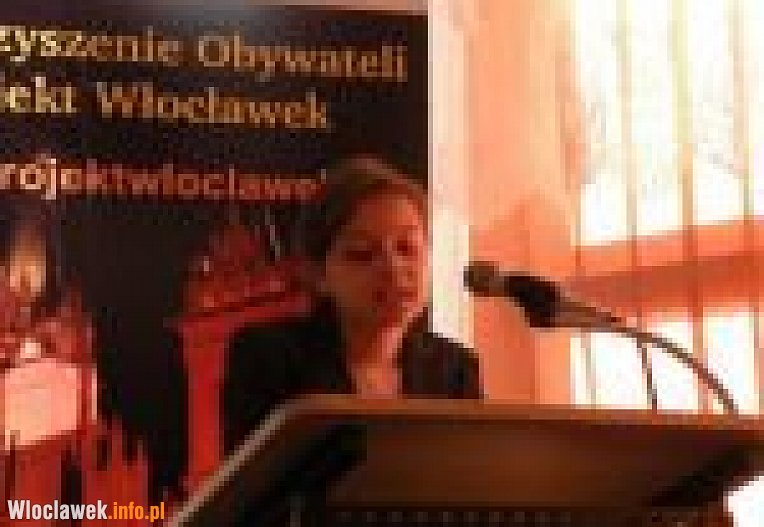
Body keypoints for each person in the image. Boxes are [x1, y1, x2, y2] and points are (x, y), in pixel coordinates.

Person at [223, 155, 482, 452]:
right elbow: (259, 476)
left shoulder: (455, 369)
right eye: (362, 253)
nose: (393, 268)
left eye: (407, 248)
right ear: (318, 274)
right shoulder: (268, 357)